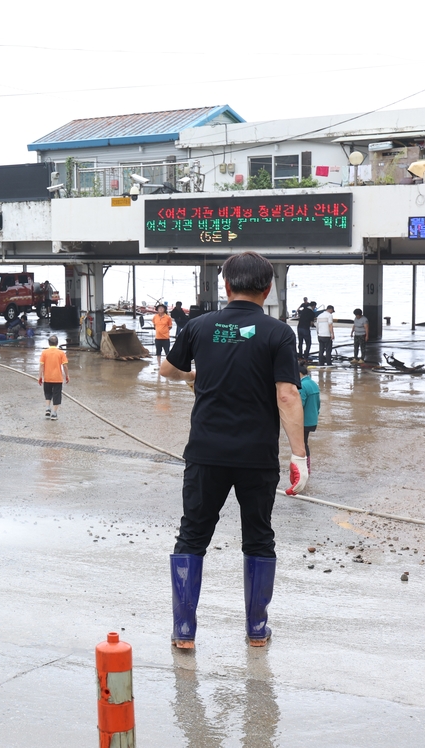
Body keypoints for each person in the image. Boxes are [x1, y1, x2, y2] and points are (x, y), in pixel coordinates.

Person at [158, 251, 307, 650]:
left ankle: (184, 632)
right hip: (257, 457)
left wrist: (194, 374)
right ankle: (256, 630)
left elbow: (166, 370)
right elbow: (288, 396)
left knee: (192, 535)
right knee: (258, 537)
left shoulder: (199, 326)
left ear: (225, 286)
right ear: (268, 288)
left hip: (205, 451)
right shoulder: (278, 333)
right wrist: (299, 457)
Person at [38, 334, 69, 420]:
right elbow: (65, 366)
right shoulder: (61, 353)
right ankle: (54, 414)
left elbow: (41, 366)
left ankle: (48, 408)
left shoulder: (44, 353)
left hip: (47, 378)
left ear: (49, 343)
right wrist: (67, 376)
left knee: (47, 393)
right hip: (57, 378)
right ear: (57, 343)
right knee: (57, 395)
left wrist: (40, 377)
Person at [299, 361, 320, 472]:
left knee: (301, 444)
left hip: (303, 421)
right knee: (305, 442)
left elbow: (299, 405)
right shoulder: (313, 384)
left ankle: (304, 468)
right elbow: (318, 403)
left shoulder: (302, 386)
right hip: (312, 419)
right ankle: (307, 467)